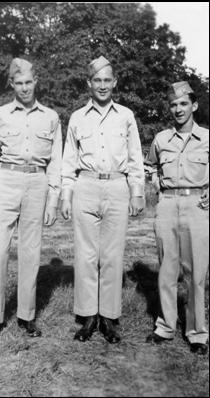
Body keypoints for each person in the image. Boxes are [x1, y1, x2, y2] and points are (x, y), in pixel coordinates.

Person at [0, 58, 62, 344]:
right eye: (19, 83)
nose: (24, 88)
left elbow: (56, 162)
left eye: (28, 82)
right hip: (7, 182)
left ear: (36, 81)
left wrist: (53, 200)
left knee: (31, 253)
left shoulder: (50, 117)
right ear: (11, 84)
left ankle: (26, 316)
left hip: (37, 183)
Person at [61, 56, 145, 343]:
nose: (102, 85)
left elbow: (135, 158)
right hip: (86, 186)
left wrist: (137, 192)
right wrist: (65, 194)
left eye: (107, 80)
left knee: (111, 255)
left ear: (115, 82)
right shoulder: (76, 117)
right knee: (86, 256)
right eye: (97, 80)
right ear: (89, 83)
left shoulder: (126, 115)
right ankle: (87, 318)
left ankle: (108, 318)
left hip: (117, 187)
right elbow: (68, 160)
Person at [146, 81, 209, 355]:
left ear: (194, 105)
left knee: (196, 273)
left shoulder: (207, 138)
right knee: (167, 270)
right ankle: (165, 326)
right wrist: (156, 184)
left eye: (183, 104)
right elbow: (148, 166)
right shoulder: (161, 139)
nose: (178, 109)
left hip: (197, 206)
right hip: (168, 205)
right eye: (173, 104)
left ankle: (197, 333)